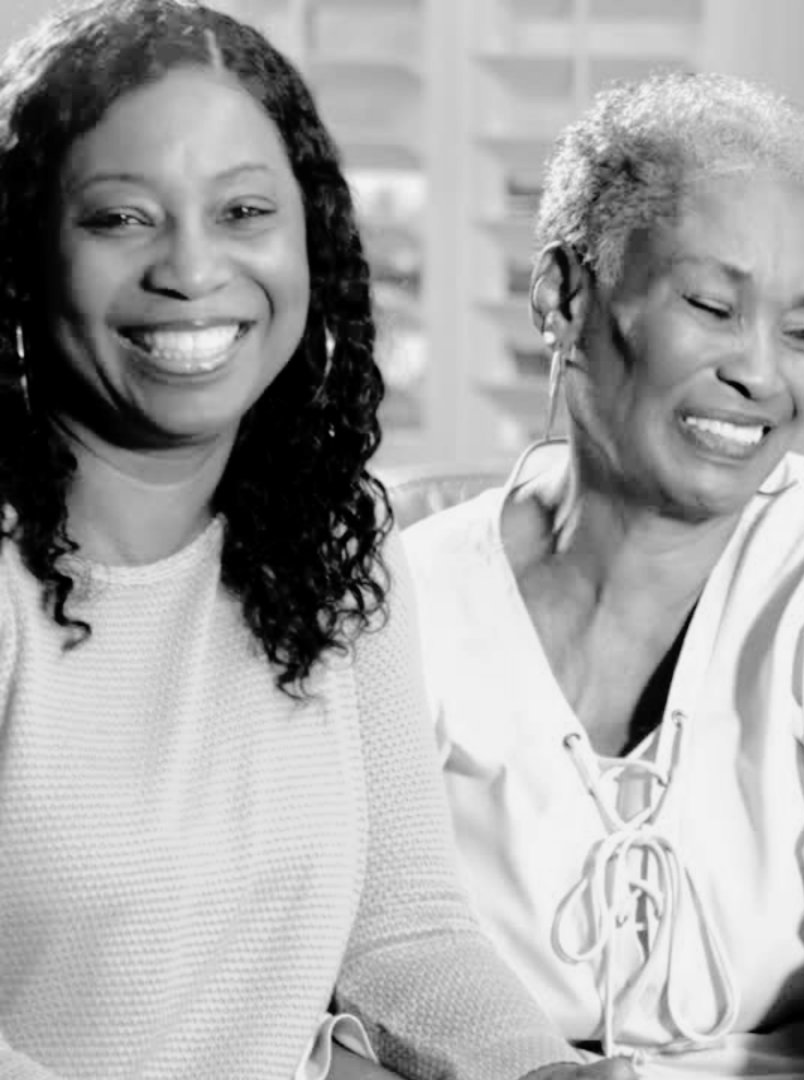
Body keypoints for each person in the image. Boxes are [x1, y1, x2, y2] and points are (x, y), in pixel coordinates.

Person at [0, 3, 627, 1079]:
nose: (192, 269)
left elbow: (403, 930)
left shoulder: (337, 543)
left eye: (244, 210)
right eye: (120, 218)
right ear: (22, 253)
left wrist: (545, 1073)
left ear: (311, 241)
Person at [402, 73, 804, 1079]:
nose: (762, 374)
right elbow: (337, 972)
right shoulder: (407, 600)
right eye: (712, 307)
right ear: (564, 296)